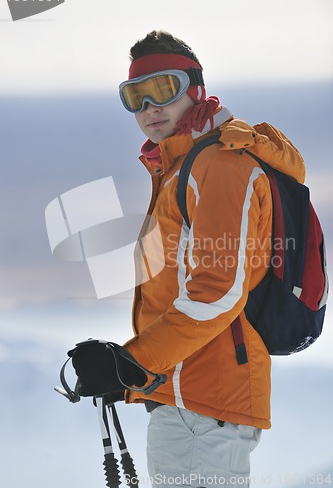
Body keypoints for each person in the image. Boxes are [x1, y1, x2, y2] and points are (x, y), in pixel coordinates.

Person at [71, 31, 306, 487]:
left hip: (204, 404)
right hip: (186, 398)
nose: (148, 108)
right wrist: (131, 373)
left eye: (163, 89)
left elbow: (219, 290)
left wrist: (132, 362)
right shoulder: (182, 167)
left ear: (195, 89)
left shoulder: (218, 165)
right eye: (135, 96)